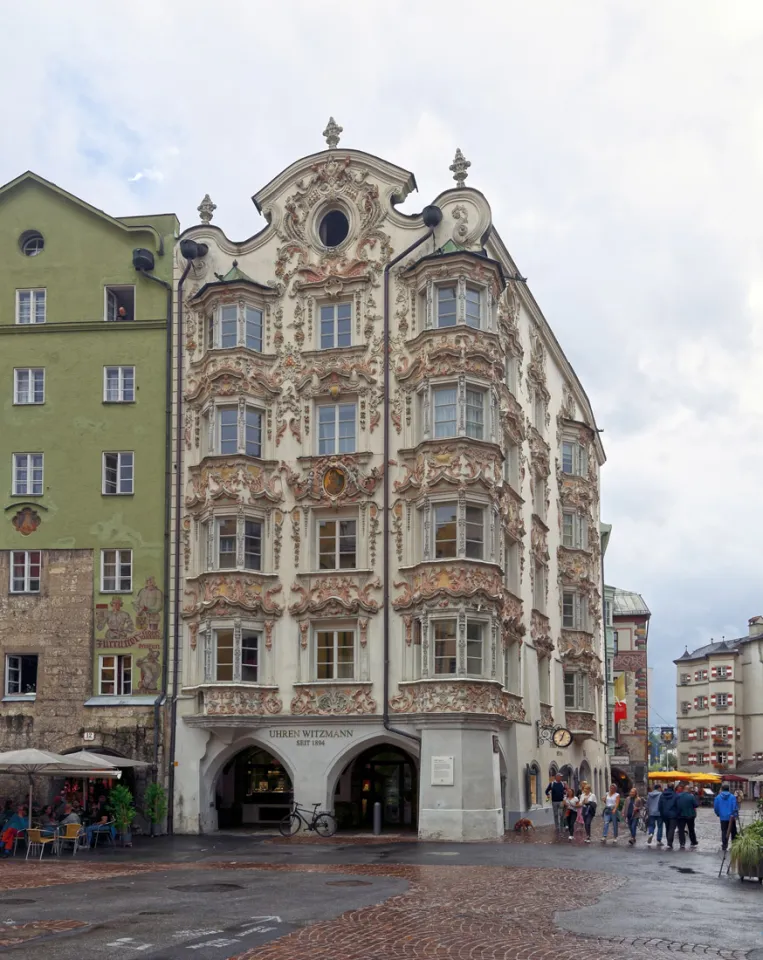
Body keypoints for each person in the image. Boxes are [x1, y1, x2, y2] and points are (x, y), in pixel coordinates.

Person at [714, 782, 739, 851]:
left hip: (723, 817)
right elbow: (735, 807)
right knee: (733, 831)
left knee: (724, 831)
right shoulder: (732, 797)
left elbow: (716, 807)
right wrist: (735, 815)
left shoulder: (718, 797)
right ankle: (734, 845)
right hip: (731, 817)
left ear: (722, 789)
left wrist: (718, 813)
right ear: (729, 789)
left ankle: (724, 845)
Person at [658, 781, 680, 849]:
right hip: (673, 814)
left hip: (665, 814)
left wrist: (662, 813)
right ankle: (669, 842)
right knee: (672, 828)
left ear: (667, 787)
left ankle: (669, 841)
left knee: (667, 827)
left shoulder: (662, 795)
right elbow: (678, 806)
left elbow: (660, 806)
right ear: (673, 787)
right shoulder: (675, 795)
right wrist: (677, 813)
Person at [676, 784, 699, 850]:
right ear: (689, 790)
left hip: (680, 815)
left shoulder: (678, 796)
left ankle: (682, 843)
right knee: (691, 829)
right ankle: (693, 841)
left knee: (681, 830)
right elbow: (696, 805)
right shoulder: (691, 796)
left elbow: (676, 804)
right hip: (690, 815)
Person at [646, 782, 664, 846]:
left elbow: (647, 804)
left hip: (651, 812)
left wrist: (648, 811)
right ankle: (659, 840)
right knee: (660, 826)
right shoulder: (661, 794)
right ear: (659, 788)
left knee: (651, 825)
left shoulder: (649, 794)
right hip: (659, 812)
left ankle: (651, 833)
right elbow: (662, 803)